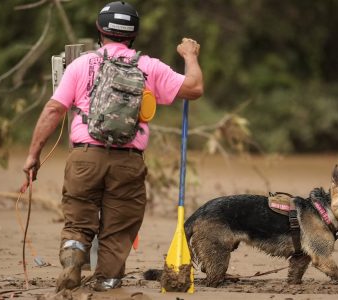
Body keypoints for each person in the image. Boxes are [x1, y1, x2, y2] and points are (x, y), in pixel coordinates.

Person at [22, 1, 203, 292]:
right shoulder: (149, 66)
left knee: (78, 218)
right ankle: (107, 280)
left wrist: (33, 154)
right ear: (134, 34)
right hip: (128, 161)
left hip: (84, 157)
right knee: (118, 228)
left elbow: (54, 110)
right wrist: (190, 55)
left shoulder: (82, 63)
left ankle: (73, 259)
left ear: (99, 29)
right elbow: (194, 88)